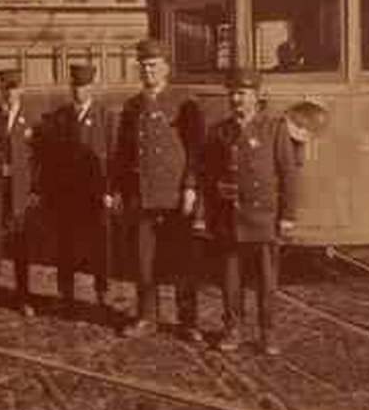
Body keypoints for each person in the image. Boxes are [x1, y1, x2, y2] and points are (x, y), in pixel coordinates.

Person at [112, 39, 204, 340]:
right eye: (143, 66)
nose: (148, 71)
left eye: (153, 65)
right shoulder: (132, 106)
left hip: (175, 195)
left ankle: (188, 321)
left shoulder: (184, 102)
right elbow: (123, 154)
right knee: (143, 259)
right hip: (143, 194)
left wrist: (190, 187)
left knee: (182, 259)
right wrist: (118, 191)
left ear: (166, 67)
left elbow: (195, 150)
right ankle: (146, 317)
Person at [203, 67, 298, 355]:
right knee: (230, 280)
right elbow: (209, 174)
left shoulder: (274, 128)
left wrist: (287, 216)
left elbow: (288, 174)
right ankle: (233, 328)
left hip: (263, 217)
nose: (236, 100)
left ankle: (268, 332)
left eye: (242, 94)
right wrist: (208, 213)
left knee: (267, 282)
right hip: (230, 217)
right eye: (232, 94)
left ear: (256, 97)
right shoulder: (219, 131)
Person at [46, 63, 116, 320]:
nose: (79, 91)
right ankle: (66, 295)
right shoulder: (61, 117)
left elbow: (113, 156)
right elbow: (52, 158)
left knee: (100, 245)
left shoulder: (105, 116)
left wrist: (109, 191)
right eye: (75, 86)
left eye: (84, 86)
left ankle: (102, 294)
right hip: (67, 195)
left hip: (95, 194)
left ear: (92, 88)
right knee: (66, 245)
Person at [0, 68, 40, 320]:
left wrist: (35, 189)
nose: (10, 93)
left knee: (21, 248)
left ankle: (23, 298)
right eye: (5, 88)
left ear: (21, 90)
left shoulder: (32, 119)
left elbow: (39, 159)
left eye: (14, 88)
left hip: (21, 193)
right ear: (0, 90)